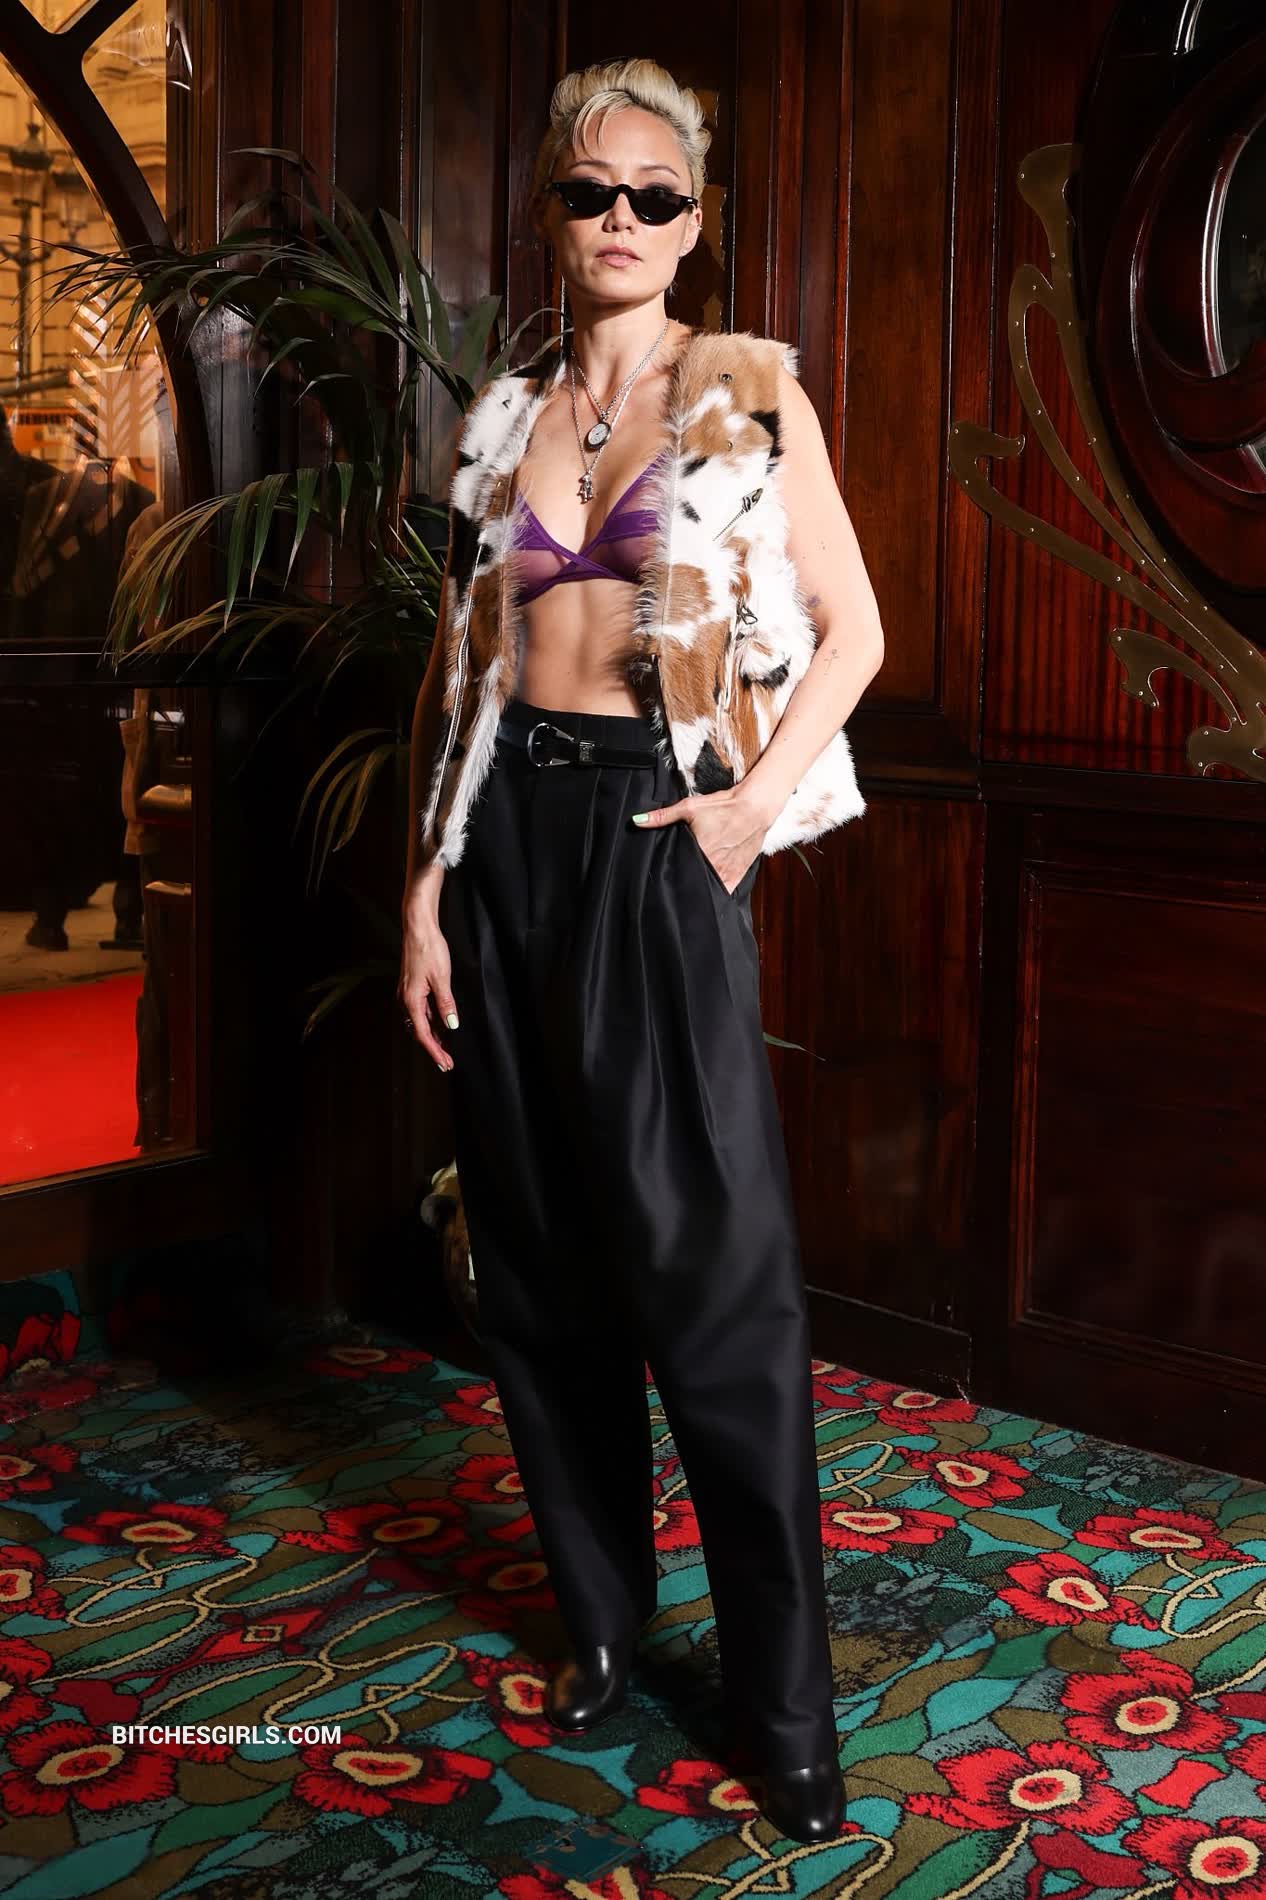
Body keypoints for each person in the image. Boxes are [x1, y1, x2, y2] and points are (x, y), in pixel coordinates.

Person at [400, 56, 884, 1843]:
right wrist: (419, 889)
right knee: (535, 1257)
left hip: (652, 831)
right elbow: (455, 662)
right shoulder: (501, 416)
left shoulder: (746, 392)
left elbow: (854, 630)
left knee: (716, 1276)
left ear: (693, 222)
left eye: (653, 196)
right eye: (590, 192)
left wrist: (744, 812)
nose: (620, 220)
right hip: (501, 843)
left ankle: (783, 1707)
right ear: (549, 211)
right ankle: (603, 1616)